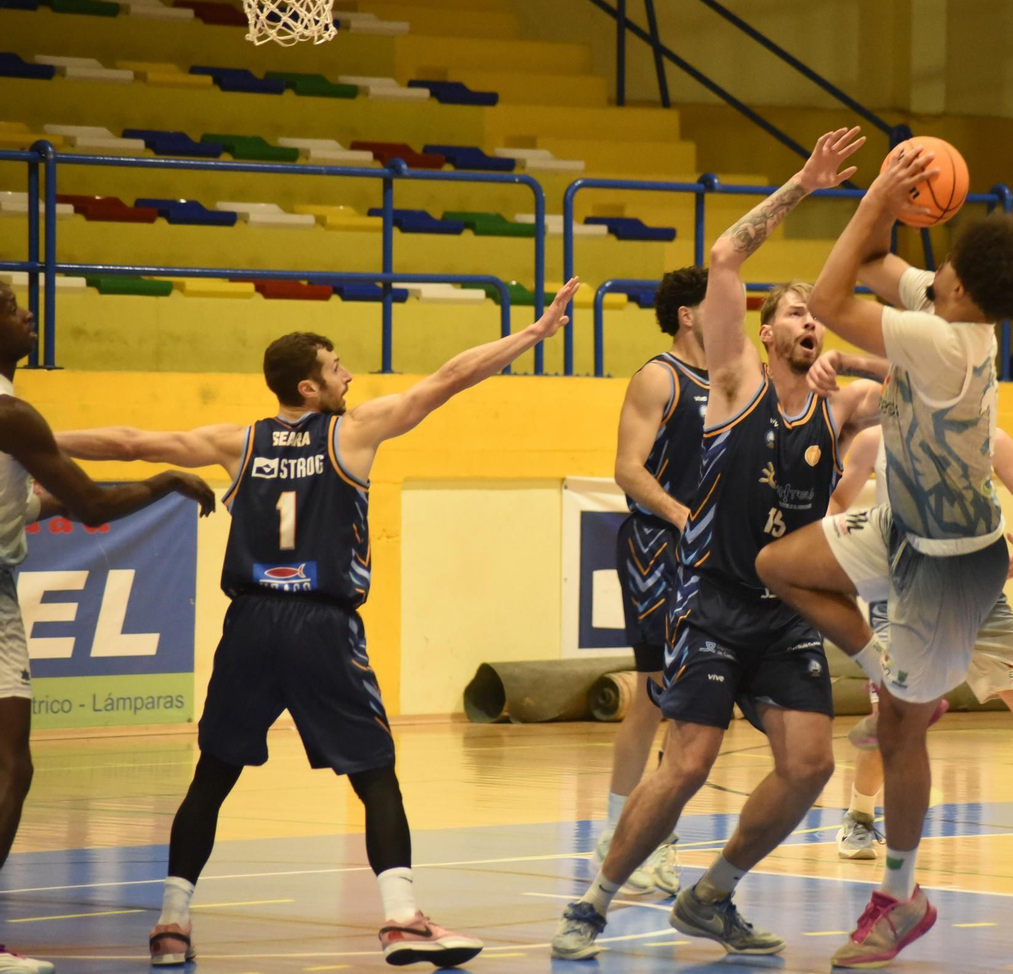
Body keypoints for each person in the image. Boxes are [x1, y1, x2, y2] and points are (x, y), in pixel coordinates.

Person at [54, 278, 580, 969]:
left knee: (211, 777)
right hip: (322, 624)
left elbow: (126, 441)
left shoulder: (236, 442)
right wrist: (532, 336)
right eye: (336, 368)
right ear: (308, 388)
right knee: (377, 776)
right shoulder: (353, 433)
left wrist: (31, 433)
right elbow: (450, 378)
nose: (349, 376)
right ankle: (400, 919)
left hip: (249, 623)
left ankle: (171, 924)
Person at [552, 128, 886, 961]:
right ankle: (591, 906)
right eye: (797, 314)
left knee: (809, 765)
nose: (809, 322)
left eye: (816, 315)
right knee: (689, 759)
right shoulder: (729, 383)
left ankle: (713, 894)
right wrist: (808, 183)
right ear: (764, 334)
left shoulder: (839, 409)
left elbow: (918, 376)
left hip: (786, 615)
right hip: (710, 603)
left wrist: (861, 327)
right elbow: (726, 252)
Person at [756, 143, 1013, 968]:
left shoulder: (945, 341)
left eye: (944, 259)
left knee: (896, 736)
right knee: (780, 566)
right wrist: (893, 203)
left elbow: (828, 294)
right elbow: (880, 263)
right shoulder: (952, 312)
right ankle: (886, 668)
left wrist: (880, 190)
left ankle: (900, 896)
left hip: (951, 569)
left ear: (957, 286)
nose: (935, 265)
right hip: (903, 528)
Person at [0, 287, 216, 974]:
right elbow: (90, 503)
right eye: (10, 306)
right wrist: (164, 484)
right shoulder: (12, 413)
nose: (27, 313)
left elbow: (32, 504)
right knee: (11, 765)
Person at [824, 425, 1013, 863]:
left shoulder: (990, 438)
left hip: (976, 592)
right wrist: (849, 553)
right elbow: (834, 504)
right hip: (901, 593)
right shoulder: (876, 440)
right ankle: (860, 818)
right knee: (890, 714)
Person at [600, 266, 711, 895]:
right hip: (658, 545)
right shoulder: (658, 377)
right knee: (667, 691)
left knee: (657, 697)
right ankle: (648, 839)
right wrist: (680, 514)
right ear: (688, 314)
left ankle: (623, 831)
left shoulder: (730, 381)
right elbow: (626, 467)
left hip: (708, 550)